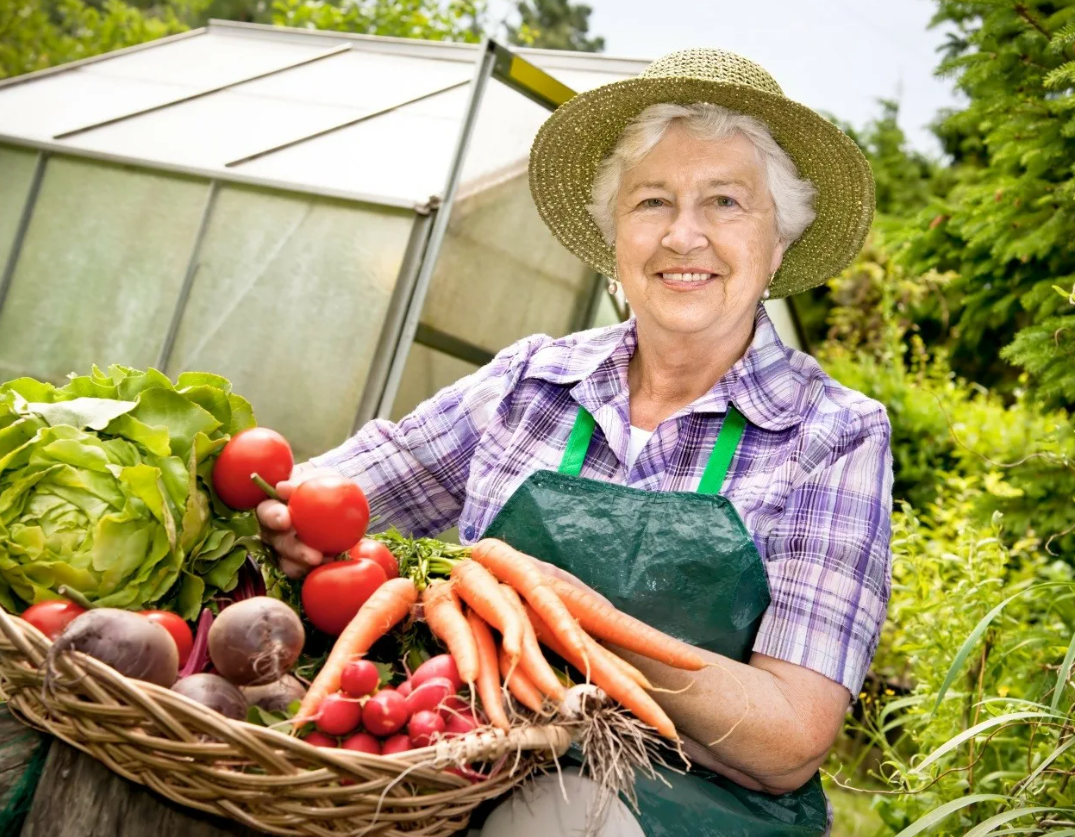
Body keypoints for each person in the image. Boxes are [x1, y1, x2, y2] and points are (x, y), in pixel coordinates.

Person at [259, 47, 893, 837]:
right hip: (461, 751)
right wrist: (284, 516)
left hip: (684, 805)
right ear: (615, 235)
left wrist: (568, 619)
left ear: (779, 242)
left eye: (726, 202)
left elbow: (788, 736)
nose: (683, 235)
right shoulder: (531, 379)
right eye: (652, 201)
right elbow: (342, 489)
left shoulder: (830, 433)